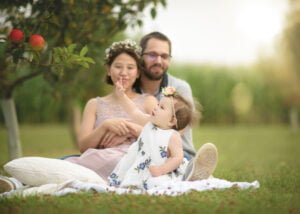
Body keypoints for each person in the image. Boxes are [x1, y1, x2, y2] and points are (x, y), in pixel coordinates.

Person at [0, 39, 157, 193]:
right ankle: (16, 183)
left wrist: (130, 129)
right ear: (108, 70)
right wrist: (105, 126)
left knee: (76, 166)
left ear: (138, 73)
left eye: (130, 67)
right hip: (96, 157)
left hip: (128, 159)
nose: (124, 72)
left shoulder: (148, 102)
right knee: (71, 164)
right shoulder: (95, 104)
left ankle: (21, 183)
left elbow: (161, 138)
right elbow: (83, 146)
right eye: (118, 66)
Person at [134, 31, 218, 181]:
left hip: (178, 151)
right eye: (152, 54)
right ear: (140, 56)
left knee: (175, 163)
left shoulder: (179, 87)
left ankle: (191, 169)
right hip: (143, 149)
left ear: (169, 60)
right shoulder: (130, 89)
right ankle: (187, 174)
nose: (159, 60)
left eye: (164, 56)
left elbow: (179, 129)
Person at [108, 84, 200, 190]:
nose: (156, 107)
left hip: (161, 170)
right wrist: (122, 96)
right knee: (129, 180)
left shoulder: (172, 136)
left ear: (171, 121)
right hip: (141, 166)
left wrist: (161, 170)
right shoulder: (149, 122)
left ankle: (192, 172)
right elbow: (134, 112)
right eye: (158, 104)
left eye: (161, 107)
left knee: (157, 183)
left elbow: (177, 157)